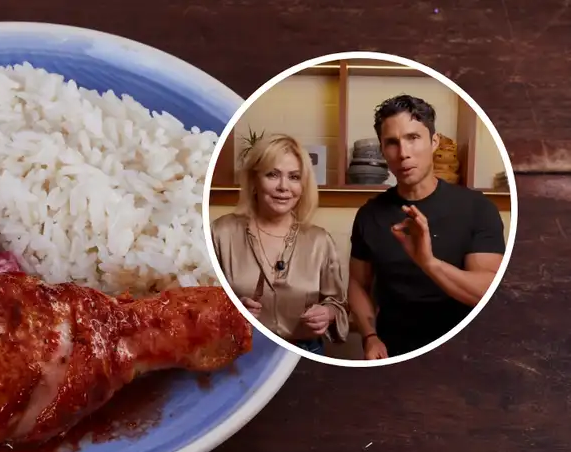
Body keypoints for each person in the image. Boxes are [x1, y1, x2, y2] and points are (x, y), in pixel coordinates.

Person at [347, 94, 506, 359]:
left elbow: (486, 292)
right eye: (392, 143)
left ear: (434, 142)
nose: (404, 153)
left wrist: (428, 262)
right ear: (383, 150)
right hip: (393, 351)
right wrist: (370, 337)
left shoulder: (477, 208)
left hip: (463, 351)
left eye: (413, 138)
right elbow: (358, 284)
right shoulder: (369, 214)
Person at [211, 133, 349, 355]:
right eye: (272, 175)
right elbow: (200, 302)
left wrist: (328, 313)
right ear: (254, 180)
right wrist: (230, 311)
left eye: (294, 177)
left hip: (305, 353)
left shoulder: (320, 240)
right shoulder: (221, 232)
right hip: (238, 352)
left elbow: (338, 304)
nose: (284, 187)